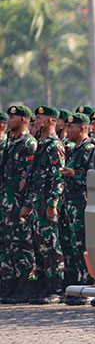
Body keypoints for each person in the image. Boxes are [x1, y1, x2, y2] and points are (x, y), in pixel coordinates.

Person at [16, 106, 66, 304]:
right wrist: (28, 203)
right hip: (37, 202)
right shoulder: (42, 145)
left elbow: (58, 177)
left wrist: (53, 203)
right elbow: (36, 178)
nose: (35, 121)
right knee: (40, 246)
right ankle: (45, 286)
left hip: (47, 203)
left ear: (49, 121)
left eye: (39, 118)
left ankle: (56, 288)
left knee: (52, 246)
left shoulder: (54, 146)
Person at [0, 105, 37, 303]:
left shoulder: (28, 144)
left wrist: (28, 204)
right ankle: (10, 285)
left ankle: (26, 286)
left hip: (18, 203)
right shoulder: (10, 142)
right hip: (6, 202)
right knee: (8, 246)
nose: (10, 119)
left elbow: (29, 179)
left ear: (24, 119)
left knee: (22, 245)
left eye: (13, 116)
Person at [59, 112, 95, 304]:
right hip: (71, 204)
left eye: (71, 127)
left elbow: (93, 177)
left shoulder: (90, 149)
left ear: (82, 128)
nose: (67, 130)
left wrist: (74, 174)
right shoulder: (74, 149)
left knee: (83, 246)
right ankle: (78, 285)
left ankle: (88, 285)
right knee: (74, 246)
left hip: (83, 203)